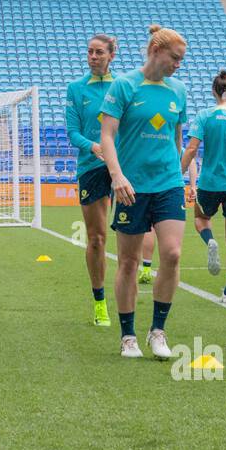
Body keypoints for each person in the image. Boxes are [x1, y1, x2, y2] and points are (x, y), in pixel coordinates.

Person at [100, 25, 189, 361]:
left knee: (173, 254)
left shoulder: (178, 90)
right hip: (131, 187)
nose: (178, 65)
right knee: (128, 262)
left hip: (168, 183)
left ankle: (158, 331)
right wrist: (117, 175)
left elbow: (177, 137)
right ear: (155, 50)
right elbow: (107, 135)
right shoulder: (124, 86)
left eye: (182, 60)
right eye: (175, 58)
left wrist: (180, 175)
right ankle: (127, 336)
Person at [63, 34, 155, 326]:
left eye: (99, 52)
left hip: (125, 166)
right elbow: (72, 132)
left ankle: (128, 299)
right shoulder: (76, 89)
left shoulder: (125, 86)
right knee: (97, 238)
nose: (93, 56)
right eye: (89, 52)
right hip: (91, 166)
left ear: (111, 55)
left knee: (131, 235)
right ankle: (99, 300)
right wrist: (94, 146)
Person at [179, 70, 226, 305]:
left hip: (210, 183)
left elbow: (191, 149)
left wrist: (177, 174)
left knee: (201, 219)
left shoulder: (205, 115)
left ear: (214, 91)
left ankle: (210, 240)